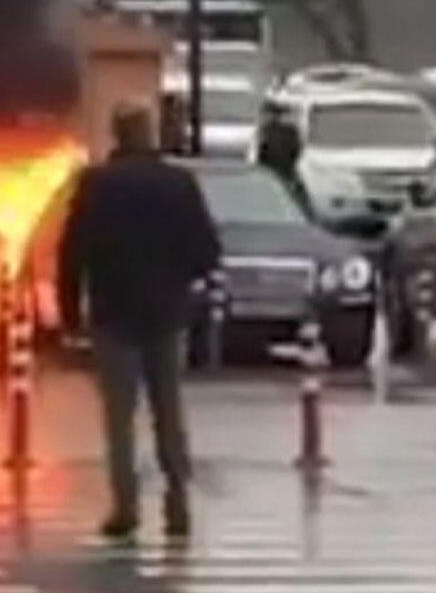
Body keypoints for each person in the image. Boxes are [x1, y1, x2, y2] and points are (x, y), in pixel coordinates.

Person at [58, 102, 221, 540]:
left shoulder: (97, 185)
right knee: (168, 410)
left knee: (119, 418)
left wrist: (69, 313)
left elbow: (72, 253)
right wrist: (182, 282)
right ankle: (177, 502)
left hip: (113, 315)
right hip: (166, 314)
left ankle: (125, 507)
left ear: (117, 135)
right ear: (149, 134)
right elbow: (207, 251)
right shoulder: (178, 184)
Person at [257, 104, 302, 188]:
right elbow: (296, 150)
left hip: (271, 170)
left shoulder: (266, 130)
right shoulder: (291, 130)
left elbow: (261, 152)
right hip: (286, 169)